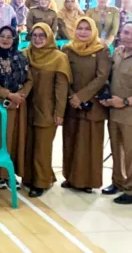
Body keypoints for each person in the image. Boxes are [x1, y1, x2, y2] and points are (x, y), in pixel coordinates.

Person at [61, 17, 110, 193]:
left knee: (90, 143)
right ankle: (70, 178)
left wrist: (81, 97)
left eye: (87, 29)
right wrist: (71, 96)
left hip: (93, 104)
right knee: (71, 140)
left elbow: (102, 76)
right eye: (80, 28)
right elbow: (63, 76)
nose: (83, 32)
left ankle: (88, 181)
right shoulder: (67, 49)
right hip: (71, 103)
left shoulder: (101, 49)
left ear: (93, 30)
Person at [22, 23, 71, 197]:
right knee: (29, 144)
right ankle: (30, 177)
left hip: (48, 108)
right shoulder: (26, 54)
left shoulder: (59, 58)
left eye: (42, 35)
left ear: (49, 36)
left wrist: (59, 113)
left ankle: (41, 182)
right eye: (34, 35)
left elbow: (61, 88)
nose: (38, 39)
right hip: (27, 108)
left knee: (42, 147)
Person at [0, 26, 33, 189]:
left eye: (9, 37)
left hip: (17, 106)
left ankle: (10, 174)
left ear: (15, 39)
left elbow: (29, 80)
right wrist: (9, 95)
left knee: (15, 140)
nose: (5, 39)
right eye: (2, 36)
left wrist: (20, 96)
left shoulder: (21, 57)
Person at [101, 21, 132, 204]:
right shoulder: (118, 53)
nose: (129, 36)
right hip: (114, 112)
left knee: (130, 153)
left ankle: (130, 189)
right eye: (126, 32)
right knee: (116, 149)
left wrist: (125, 101)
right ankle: (118, 182)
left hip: (129, 113)